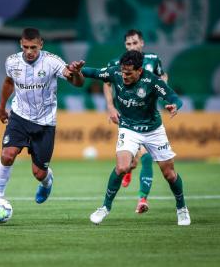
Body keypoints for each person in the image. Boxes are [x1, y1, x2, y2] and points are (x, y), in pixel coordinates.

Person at [82, 50, 191, 226]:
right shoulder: (115, 72)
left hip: (153, 130)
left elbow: (173, 96)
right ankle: (105, 207)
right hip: (129, 128)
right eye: (123, 71)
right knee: (122, 167)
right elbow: (93, 72)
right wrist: (75, 68)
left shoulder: (152, 81)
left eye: (129, 72)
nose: (124, 75)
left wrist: (174, 106)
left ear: (139, 71)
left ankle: (182, 208)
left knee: (169, 175)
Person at [0, 27, 84, 203]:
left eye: (33, 47)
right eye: (26, 47)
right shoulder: (12, 62)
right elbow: (8, 82)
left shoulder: (52, 62)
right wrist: (2, 106)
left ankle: (47, 182)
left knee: (38, 173)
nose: (29, 52)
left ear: (40, 44)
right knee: (7, 155)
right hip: (19, 117)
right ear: (21, 44)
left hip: (45, 122)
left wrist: (76, 73)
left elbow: (77, 83)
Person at [103, 29, 169, 214]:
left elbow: (163, 76)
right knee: (130, 162)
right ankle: (130, 168)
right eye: (128, 44)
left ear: (142, 43)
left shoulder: (153, 60)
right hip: (127, 117)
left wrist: (164, 91)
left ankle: (142, 199)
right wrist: (110, 107)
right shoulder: (116, 64)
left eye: (134, 43)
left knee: (146, 157)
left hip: (148, 117)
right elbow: (106, 83)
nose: (132, 46)